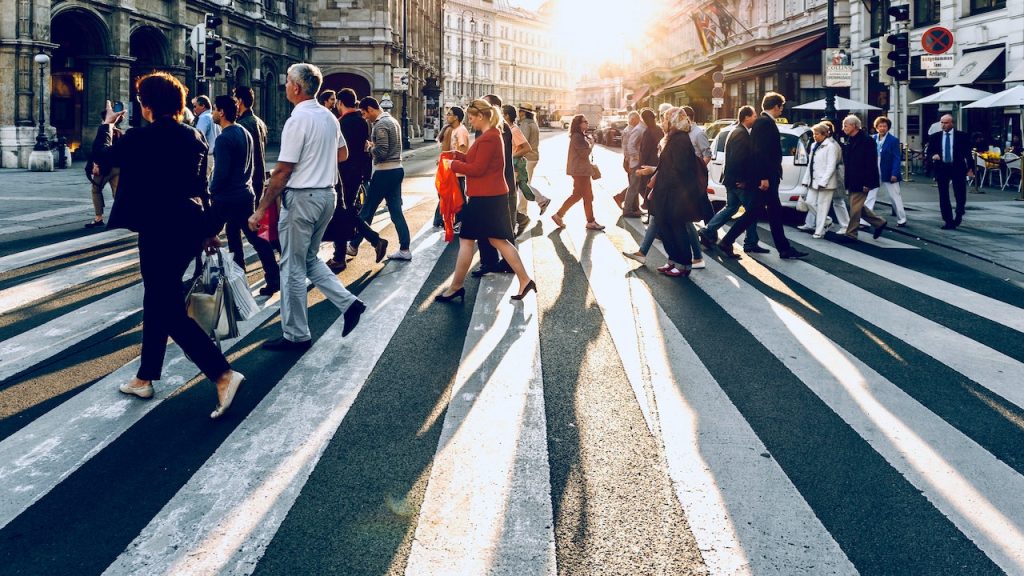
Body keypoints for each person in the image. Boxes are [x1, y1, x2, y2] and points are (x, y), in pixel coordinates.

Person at [95, 73, 244, 418]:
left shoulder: (141, 138)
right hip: (189, 226)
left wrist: (106, 125)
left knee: (167, 308)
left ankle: (222, 373)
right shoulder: (194, 136)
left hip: (158, 230)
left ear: (147, 106)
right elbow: (201, 186)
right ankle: (145, 376)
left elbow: (101, 157)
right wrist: (208, 231)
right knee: (158, 298)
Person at [248, 62, 367, 351]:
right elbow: (343, 154)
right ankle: (349, 304)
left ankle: (296, 334)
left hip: (302, 198)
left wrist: (261, 209)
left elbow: (282, 170)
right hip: (327, 196)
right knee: (310, 259)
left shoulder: (297, 120)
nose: (285, 84)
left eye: (287, 81)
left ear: (296, 88)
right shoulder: (328, 117)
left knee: (290, 267)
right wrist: (318, 160)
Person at [435, 99, 536, 303]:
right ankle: (525, 280)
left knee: (466, 240)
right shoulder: (490, 135)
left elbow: (478, 169)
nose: (470, 121)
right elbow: (475, 161)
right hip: (490, 196)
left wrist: (454, 165)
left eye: (472, 117)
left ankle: (456, 287)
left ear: (481, 116)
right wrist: (456, 155)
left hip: (485, 198)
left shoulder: (490, 137)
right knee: (497, 240)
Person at [717, 92, 807, 259]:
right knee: (756, 212)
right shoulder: (765, 123)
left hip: (767, 176)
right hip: (766, 178)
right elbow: (760, 152)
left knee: (772, 212)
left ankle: (784, 248)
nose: (782, 110)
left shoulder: (763, 122)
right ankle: (727, 241)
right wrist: (764, 177)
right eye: (781, 107)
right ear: (776, 107)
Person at [207, 95, 281, 295]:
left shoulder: (223, 138)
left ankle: (204, 280)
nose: (212, 113)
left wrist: (211, 191)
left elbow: (221, 173)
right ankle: (271, 277)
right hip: (245, 194)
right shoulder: (244, 132)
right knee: (252, 237)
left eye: (214, 109)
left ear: (221, 112)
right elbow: (254, 163)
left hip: (226, 198)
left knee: (205, 235)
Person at [635, 107, 713, 276]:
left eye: (665, 119)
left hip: (676, 195)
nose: (663, 122)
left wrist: (665, 185)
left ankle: (684, 265)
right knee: (666, 228)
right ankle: (673, 260)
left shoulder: (680, 140)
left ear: (673, 121)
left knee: (677, 229)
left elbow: (680, 169)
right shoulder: (672, 138)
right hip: (666, 192)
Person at [324, 88, 388, 271]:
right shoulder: (362, 122)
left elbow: (337, 152)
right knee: (346, 212)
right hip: (357, 173)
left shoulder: (341, 124)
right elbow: (364, 149)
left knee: (342, 213)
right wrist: (365, 174)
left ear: (341, 103)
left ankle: (341, 256)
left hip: (343, 174)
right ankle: (372, 241)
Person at [348, 97, 412, 260]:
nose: (364, 116)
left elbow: (382, 152)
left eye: (364, 113)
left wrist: (370, 147)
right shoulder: (392, 121)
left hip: (384, 172)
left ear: (370, 109)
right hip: (397, 169)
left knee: (367, 210)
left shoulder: (381, 124)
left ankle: (353, 246)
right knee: (396, 212)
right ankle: (405, 249)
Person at [700, 106, 761, 251]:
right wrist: (743, 180)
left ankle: (708, 230)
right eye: (754, 116)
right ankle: (750, 242)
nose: (756, 118)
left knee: (731, 208)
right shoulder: (741, 133)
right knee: (751, 210)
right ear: (746, 117)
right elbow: (737, 159)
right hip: (738, 181)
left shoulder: (736, 130)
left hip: (731, 179)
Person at [232, 86, 273, 256]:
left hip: (246, 183)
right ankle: (238, 270)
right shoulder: (259, 122)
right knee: (240, 228)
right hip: (257, 179)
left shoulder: (242, 125)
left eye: (234, 98)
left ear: (240, 101)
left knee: (252, 230)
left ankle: (272, 274)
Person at [838, 115, 886, 242]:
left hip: (862, 179)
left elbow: (870, 162)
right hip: (852, 178)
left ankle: (851, 233)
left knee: (854, 208)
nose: (844, 128)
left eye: (846, 125)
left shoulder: (866, 140)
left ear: (854, 126)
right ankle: (879, 222)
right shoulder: (850, 139)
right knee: (857, 206)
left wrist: (867, 182)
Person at [552, 114, 604, 231]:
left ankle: (588, 221)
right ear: (579, 124)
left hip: (581, 171)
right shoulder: (577, 137)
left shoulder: (580, 136)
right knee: (582, 195)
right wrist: (592, 144)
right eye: (584, 122)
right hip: (580, 171)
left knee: (584, 196)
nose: (587, 123)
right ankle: (561, 215)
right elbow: (584, 154)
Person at [926, 113, 974, 229]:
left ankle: (959, 212)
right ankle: (948, 220)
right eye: (942, 123)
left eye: (946, 123)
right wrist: (933, 156)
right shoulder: (935, 137)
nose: (943, 125)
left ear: (952, 123)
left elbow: (968, 154)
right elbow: (929, 153)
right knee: (943, 195)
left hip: (957, 167)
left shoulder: (962, 136)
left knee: (960, 193)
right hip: (942, 168)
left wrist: (971, 169)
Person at [798, 122, 841, 238]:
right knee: (809, 202)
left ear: (824, 134)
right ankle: (827, 221)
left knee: (823, 206)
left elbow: (831, 166)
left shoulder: (831, 146)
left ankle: (819, 230)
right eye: (814, 134)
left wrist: (824, 181)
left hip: (825, 182)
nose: (814, 136)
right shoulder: (814, 146)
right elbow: (810, 164)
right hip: (813, 180)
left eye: (817, 134)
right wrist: (806, 179)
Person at [85, 108, 123, 228]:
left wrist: (95, 164)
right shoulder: (120, 132)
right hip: (117, 168)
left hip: (104, 168)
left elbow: (97, 150)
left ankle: (98, 218)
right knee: (117, 193)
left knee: (96, 190)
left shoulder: (104, 130)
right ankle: (121, 218)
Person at [870, 116, 907, 227]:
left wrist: (895, 173)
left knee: (895, 196)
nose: (882, 128)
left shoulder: (893, 140)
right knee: (870, 195)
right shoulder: (872, 138)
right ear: (876, 127)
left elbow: (896, 158)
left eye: (884, 126)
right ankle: (865, 220)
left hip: (888, 170)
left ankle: (902, 219)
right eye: (880, 126)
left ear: (888, 127)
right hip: (874, 169)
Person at [517, 102, 551, 214]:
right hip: (533, 157)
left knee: (523, 185)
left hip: (527, 157)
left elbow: (523, 142)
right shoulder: (533, 123)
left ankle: (525, 210)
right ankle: (526, 209)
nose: (518, 113)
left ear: (523, 113)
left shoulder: (525, 124)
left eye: (519, 111)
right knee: (525, 184)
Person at [620, 110, 645, 218]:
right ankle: (628, 207)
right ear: (633, 119)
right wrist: (631, 160)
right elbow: (626, 148)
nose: (639, 121)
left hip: (631, 161)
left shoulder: (632, 129)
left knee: (635, 185)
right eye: (638, 119)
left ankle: (635, 207)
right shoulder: (629, 131)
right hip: (630, 161)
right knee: (633, 185)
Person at [192, 95, 220, 177]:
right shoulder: (213, 117)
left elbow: (198, 137)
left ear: (203, 106)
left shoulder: (203, 118)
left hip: (207, 158)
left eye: (195, 106)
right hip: (215, 157)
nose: (194, 109)